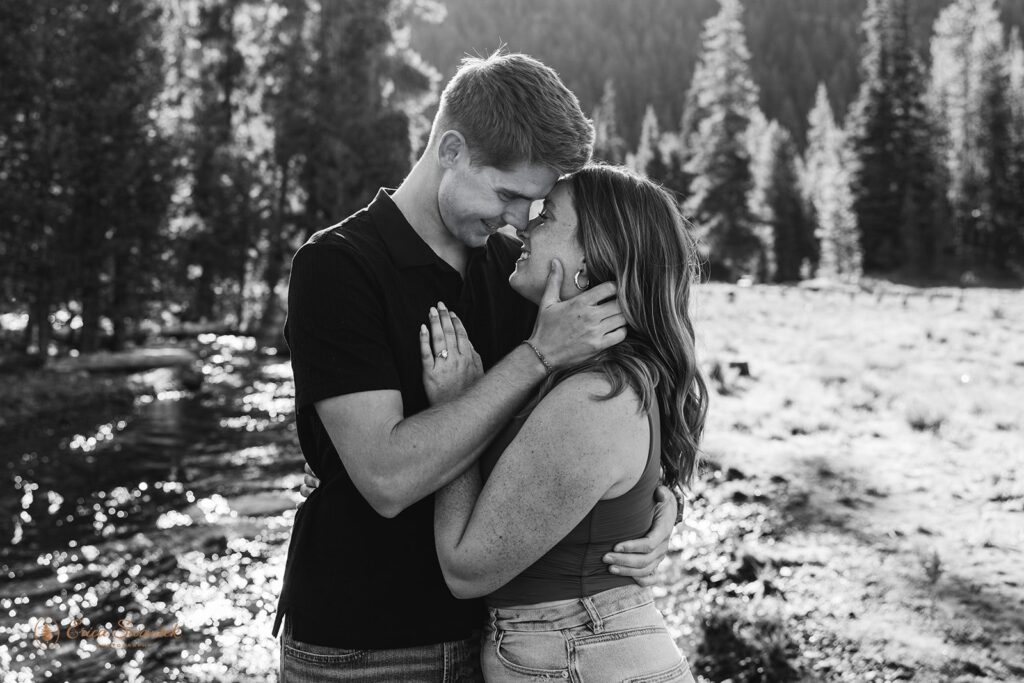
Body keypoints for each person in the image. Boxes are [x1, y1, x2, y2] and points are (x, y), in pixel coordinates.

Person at [275, 51, 679, 682]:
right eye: (509, 195)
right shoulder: (338, 268)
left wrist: (659, 498)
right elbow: (386, 479)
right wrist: (534, 356)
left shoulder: (511, 273)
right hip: (367, 643)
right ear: (453, 150)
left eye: (536, 206)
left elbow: (613, 397)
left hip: (503, 639)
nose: (518, 222)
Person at [419, 165, 708, 682]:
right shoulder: (589, 376)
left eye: (546, 217)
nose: (522, 228)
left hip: (578, 651)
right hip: (576, 649)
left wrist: (459, 405)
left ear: (591, 261)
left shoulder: (595, 397)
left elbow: (466, 569)